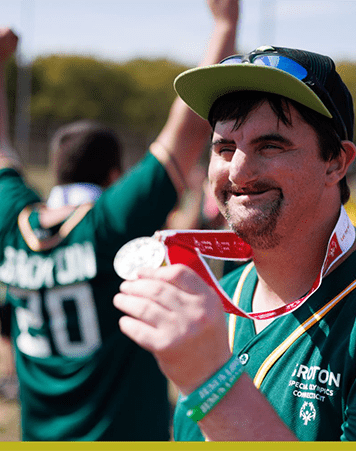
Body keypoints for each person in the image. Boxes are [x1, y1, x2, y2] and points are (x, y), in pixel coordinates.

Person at [113, 45, 356, 441]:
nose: (238, 170)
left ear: (336, 162)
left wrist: (213, 386)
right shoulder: (217, 301)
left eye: (270, 146)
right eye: (223, 148)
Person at [0, 0, 239, 440]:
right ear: (114, 176)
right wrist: (226, 26)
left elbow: (1, 148)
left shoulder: (13, 222)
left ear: (58, 169)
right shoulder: (110, 221)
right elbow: (184, 132)